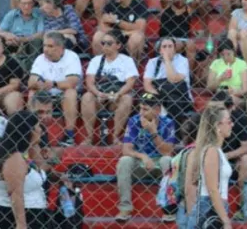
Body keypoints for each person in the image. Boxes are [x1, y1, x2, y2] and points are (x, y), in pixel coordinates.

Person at [116, 93, 177, 222]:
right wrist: (142, 156)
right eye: (140, 108)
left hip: (159, 164)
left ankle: (168, 209)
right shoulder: (134, 121)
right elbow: (126, 149)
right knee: (124, 161)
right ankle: (125, 207)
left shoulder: (168, 122)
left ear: (157, 110)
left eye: (145, 109)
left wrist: (153, 131)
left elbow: (167, 152)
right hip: (140, 163)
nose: (141, 113)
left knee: (167, 161)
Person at [0, 110, 49, 229]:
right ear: (28, 131)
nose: (41, 130)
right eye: (37, 127)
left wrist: (33, 145)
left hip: (33, 215)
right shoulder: (14, 158)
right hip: (14, 218)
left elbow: (44, 166)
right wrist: (21, 225)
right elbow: (15, 194)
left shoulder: (24, 154)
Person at [181, 104, 233, 229]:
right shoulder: (212, 151)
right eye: (229, 121)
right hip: (209, 207)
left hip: (212, 206)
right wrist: (225, 220)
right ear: (217, 125)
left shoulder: (215, 150)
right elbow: (212, 189)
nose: (232, 124)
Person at [82, 32, 139, 145]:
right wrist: (97, 93)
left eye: (109, 43)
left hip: (118, 96)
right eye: (103, 43)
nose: (105, 46)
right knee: (87, 96)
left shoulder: (126, 60)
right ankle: (89, 137)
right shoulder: (96, 60)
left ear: (118, 45)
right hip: (100, 96)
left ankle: (115, 137)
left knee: (127, 98)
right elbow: (89, 81)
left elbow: (130, 82)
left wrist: (118, 94)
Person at [27, 32, 81, 147]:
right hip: (45, 92)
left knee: (71, 93)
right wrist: (39, 85)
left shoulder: (71, 57)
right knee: (32, 93)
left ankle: (69, 135)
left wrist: (54, 83)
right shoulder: (40, 59)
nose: (46, 49)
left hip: (63, 93)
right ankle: (33, 130)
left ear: (61, 48)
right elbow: (31, 82)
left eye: (50, 46)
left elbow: (72, 82)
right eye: (45, 45)